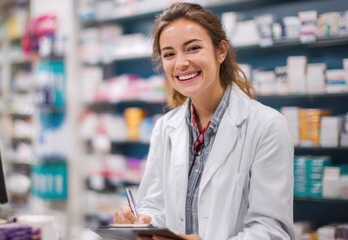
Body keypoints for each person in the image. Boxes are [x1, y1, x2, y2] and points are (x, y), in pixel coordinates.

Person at [113, 2, 294, 240]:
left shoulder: (267, 126)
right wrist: (142, 221)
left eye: (193, 48)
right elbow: (156, 206)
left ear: (221, 51)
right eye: (169, 54)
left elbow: (272, 230)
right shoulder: (165, 128)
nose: (180, 63)